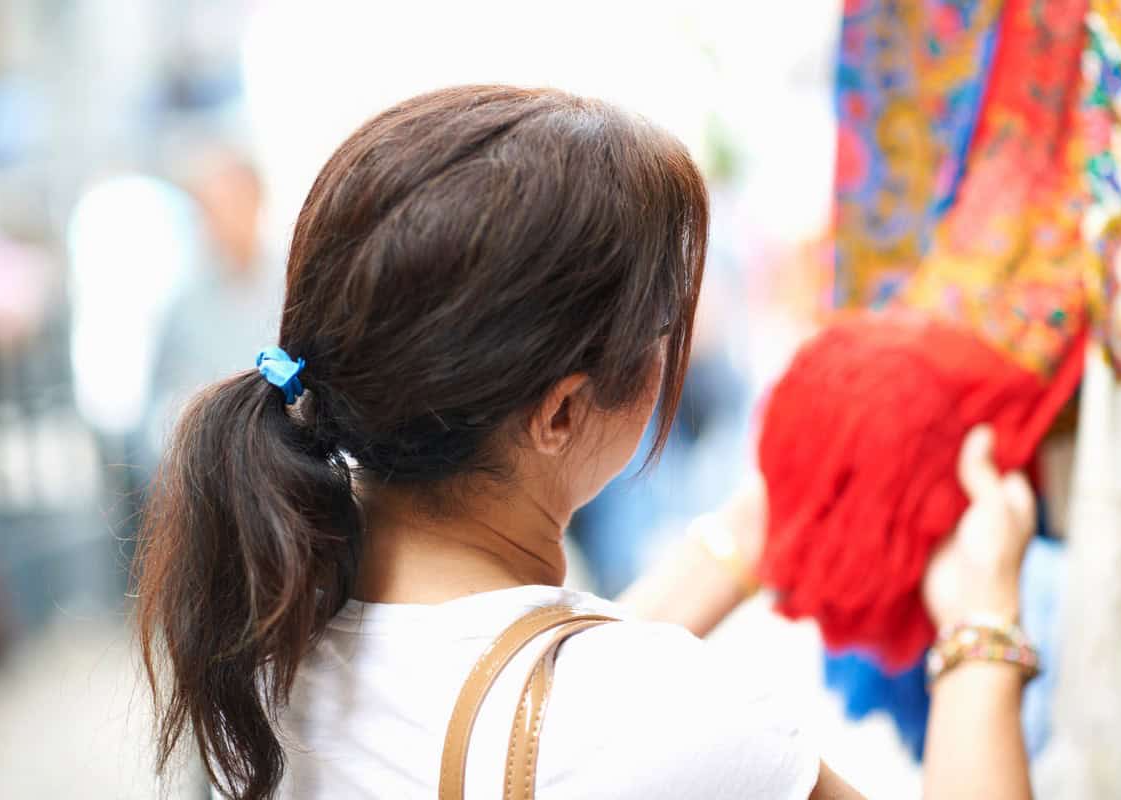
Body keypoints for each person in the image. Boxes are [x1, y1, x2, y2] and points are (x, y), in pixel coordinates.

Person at [135, 86, 1038, 800]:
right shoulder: (647, 713)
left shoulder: (265, 631)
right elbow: (596, 725)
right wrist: (981, 621)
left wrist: (741, 543)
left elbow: (524, 695)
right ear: (562, 412)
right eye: (661, 326)